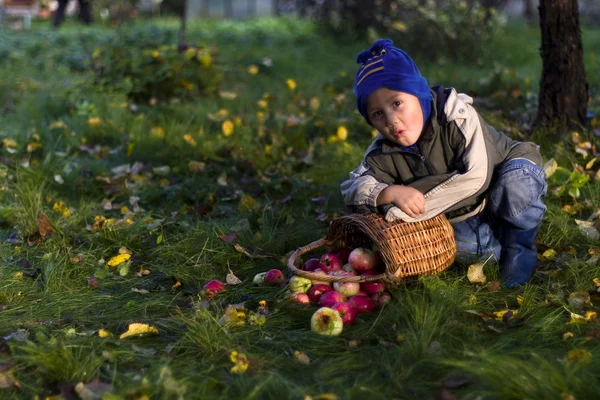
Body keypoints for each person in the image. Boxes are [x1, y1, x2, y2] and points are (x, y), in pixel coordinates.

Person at [340, 39, 547, 288]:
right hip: (466, 210)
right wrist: (388, 192)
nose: (392, 120)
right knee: (472, 251)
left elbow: (477, 177)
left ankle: (520, 246)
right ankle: (499, 232)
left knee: (516, 190)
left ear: (419, 93)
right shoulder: (382, 151)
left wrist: (397, 212)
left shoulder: (455, 116)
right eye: (378, 114)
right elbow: (351, 188)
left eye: (396, 103)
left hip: (505, 170)